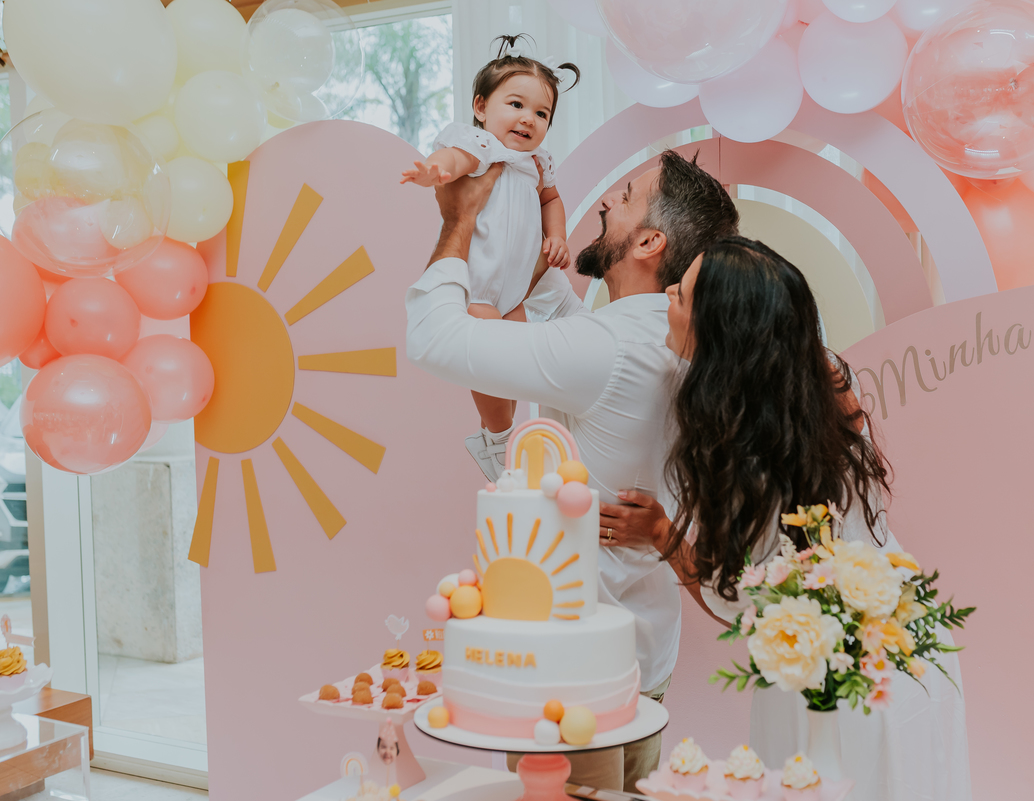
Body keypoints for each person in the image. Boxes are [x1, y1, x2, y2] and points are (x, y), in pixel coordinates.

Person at [406, 150, 740, 791]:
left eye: (627, 193)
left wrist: (457, 223)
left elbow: (434, 338)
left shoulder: (607, 349)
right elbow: (574, 328)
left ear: (649, 240)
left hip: (571, 671)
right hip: (641, 647)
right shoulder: (669, 339)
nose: (606, 201)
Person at [604, 238, 972, 800]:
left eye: (679, 296)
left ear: (720, 334)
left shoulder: (742, 457)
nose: (667, 296)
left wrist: (661, 534)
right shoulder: (821, 379)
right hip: (910, 646)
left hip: (838, 687)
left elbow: (739, 604)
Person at [401, 34, 580, 479]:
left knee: (511, 373)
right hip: (479, 288)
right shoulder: (483, 146)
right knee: (491, 366)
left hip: (516, 292)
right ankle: (499, 441)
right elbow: (456, 158)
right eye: (516, 105)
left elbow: (551, 200)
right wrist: (434, 169)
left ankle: (494, 434)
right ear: (481, 108)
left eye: (542, 113)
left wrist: (556, 234)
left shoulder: (539, 163)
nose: (528, 120)